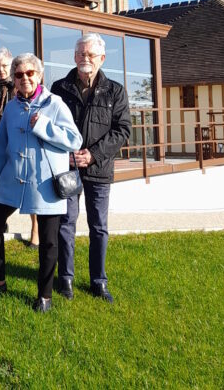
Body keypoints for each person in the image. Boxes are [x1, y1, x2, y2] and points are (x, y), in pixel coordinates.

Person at [0, 53, 82, 312]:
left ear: (39, 76)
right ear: (13, 78)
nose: (24, 78)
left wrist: (44, 125)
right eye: (19, 74)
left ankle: (44, 296)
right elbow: (1, 147)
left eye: (30, 73)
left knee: (49, 241)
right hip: (13, 179)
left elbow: (74, 140)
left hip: (45, 183)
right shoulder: (12, 107)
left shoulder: (55, 104)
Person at [51, 33, 131, 303]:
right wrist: (67, 151)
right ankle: (66, 279)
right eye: (81, 54)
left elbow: (123, 130)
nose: (86, 59)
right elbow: (52, 127)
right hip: (68, 168)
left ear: (102, 58)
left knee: (98, 226)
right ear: (74, 57)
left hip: (99, 168)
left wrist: (93, 155)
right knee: (66, 223)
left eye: (91, 55)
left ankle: (98, 281)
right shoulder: (59, 88)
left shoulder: (115, 91)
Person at [0, 48, 40, 249]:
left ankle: (35, 231)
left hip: (20, 139)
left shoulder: (18, 85)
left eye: (4, 66)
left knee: (29, 187)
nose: (0, 70)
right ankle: (0, 223)